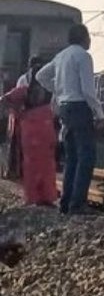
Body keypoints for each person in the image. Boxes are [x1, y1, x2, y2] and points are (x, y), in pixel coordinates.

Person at [36, 24, 104, 215]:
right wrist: (99, 114)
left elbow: (41, 76)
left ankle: (66, 202)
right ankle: (78, 203)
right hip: (79, 107)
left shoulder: (61, 56)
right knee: (86, 156)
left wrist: (58, 90)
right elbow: (88, 91)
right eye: (89, 36)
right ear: (84, 37)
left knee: (72, 157)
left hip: (64, 108)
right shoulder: (83, 56)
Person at [0, 72, 57, 206]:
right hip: (47, 129)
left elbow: (4, 100)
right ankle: (47, 197)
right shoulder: (50, 87)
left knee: (31, 166)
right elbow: (56, 108)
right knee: (47, 166)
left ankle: (32, 197)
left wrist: (17, 111)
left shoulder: (24, 90)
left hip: (29, 131)